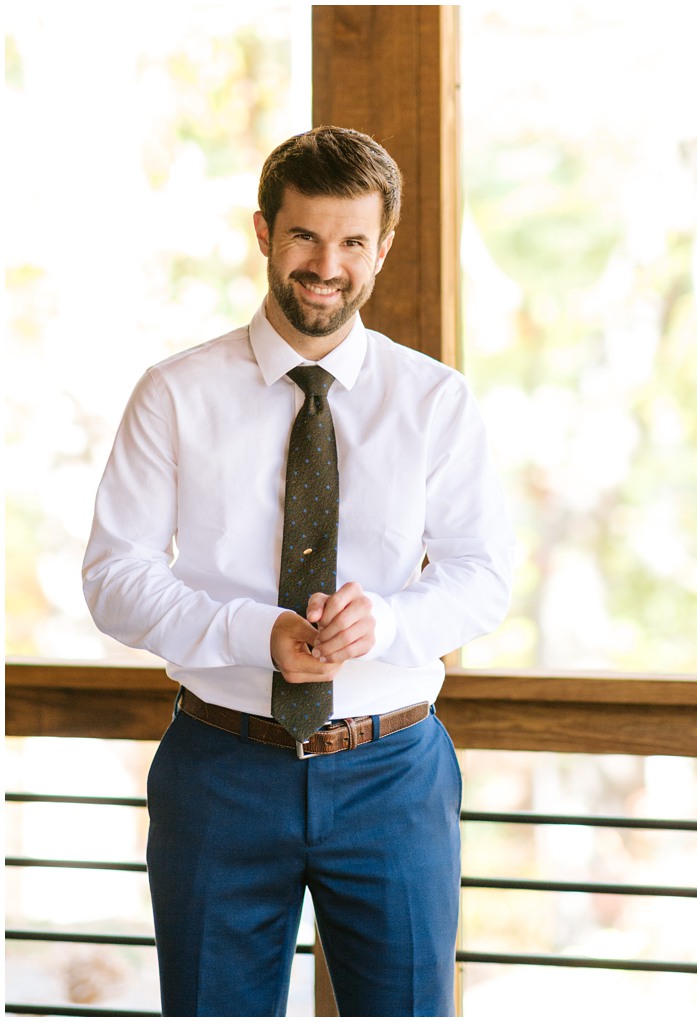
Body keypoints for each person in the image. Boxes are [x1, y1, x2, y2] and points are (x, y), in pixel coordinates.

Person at [82, 125, 516, 1016]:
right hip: (220, 770)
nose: (327, 264)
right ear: (263, 234)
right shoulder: (174, 393)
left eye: (353, 241)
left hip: (393, 775)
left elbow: (483, 576)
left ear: (382, 248)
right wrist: (257, 634)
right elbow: (114, 575)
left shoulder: (436, 401)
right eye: (305, 236)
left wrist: (386, 625)